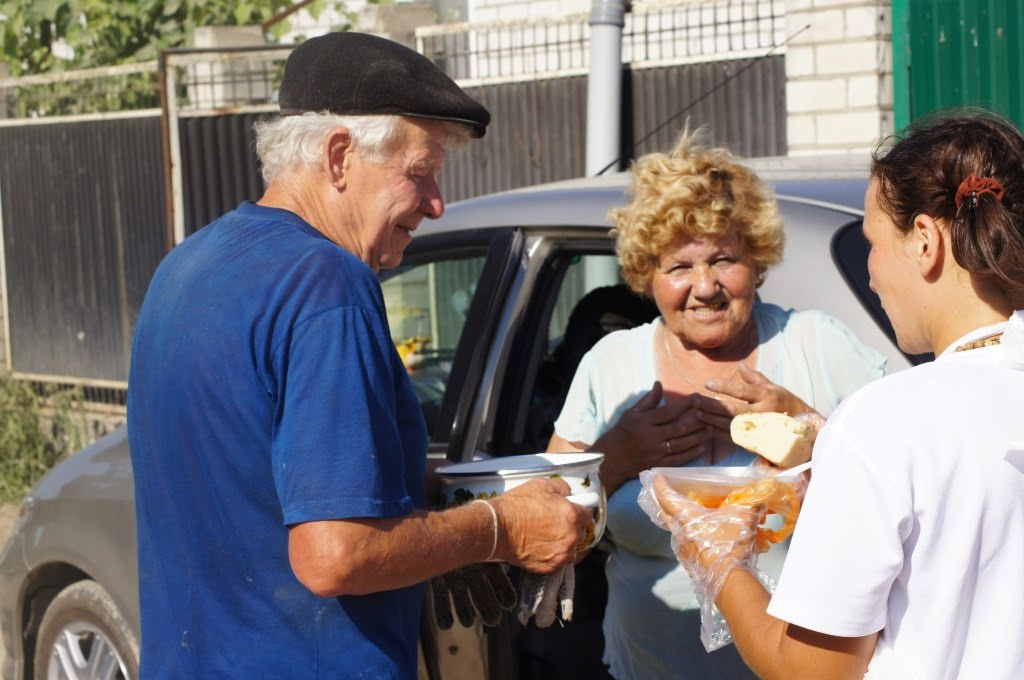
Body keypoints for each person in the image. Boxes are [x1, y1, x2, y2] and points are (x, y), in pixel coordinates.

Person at [127, 31, 592, 678]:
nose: (436, 204)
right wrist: (499, 529)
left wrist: (446, 495)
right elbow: (335, 553)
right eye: (419, 174)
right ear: (340, 155)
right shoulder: (329, 284)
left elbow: (254, 480)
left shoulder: (187, 265)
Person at [643, 110, 1024, 679]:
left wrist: (717, 559)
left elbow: (810, 672)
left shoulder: (886, 420)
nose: (871, 274)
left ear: (925, 242)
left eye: (872, 243)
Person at [547, 132, 888, 678]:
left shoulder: (814, 344)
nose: (704, 287)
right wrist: (615, 458)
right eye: (679, 267)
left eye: (724, 259)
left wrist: (809, 431)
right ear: (645, 276)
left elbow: (912, 485)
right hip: (647, 665)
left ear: (756, 261)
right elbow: (550, 530)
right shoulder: (611, 364)